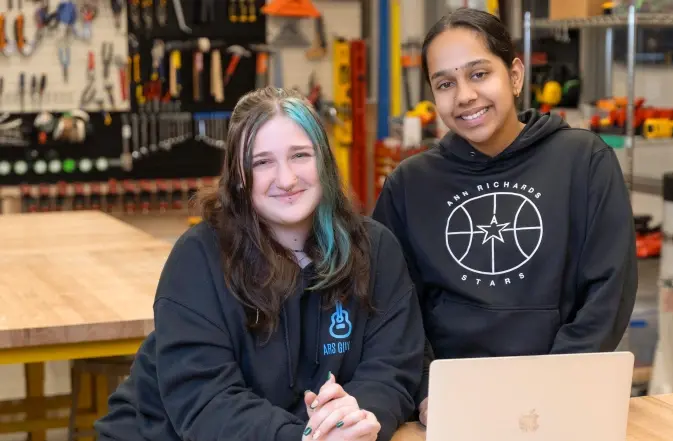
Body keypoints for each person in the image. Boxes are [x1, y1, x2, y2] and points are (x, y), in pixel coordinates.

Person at [94, 87, 425, 441]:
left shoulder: (375, 250)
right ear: (238, 175)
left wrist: (355, 419)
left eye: (300, 155)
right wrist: (304, 438)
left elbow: (392, 367)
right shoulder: (198, 260)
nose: (286, 179)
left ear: (325, 162)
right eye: (262, 162)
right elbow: (208, 400)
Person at [371, 8, 637, 425]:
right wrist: (427, 388)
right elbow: (391, 305)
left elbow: (609, 289)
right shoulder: (409, 185)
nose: (464, 96)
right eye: (445, 83)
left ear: (514, 75)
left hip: (563, 399)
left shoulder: (583, 160)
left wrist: (555, 385)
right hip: (451, 403)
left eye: (479, 74)